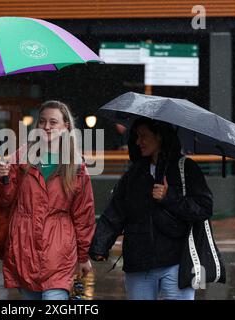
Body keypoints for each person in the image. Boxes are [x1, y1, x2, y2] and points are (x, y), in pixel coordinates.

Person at [89, 117, 213, 300]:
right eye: (137, 136)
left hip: (177, 262)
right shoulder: (133, 174)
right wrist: (100, 245)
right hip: (138, 263)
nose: (138, 142)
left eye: (144, 136)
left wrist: (169, 197)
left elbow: (204, 208)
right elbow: (115, 212)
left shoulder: (186, 168)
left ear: (160, 137)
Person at [0, 100, 96, 300]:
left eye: (53, 122)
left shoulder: (76, 166)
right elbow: (5, 202)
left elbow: (84, 215)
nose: (46, 127)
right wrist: (3, 178)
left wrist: (83, 256)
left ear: (66, 126)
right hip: (25, 248)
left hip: (59, 250)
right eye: (42, 122)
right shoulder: (20, 158)